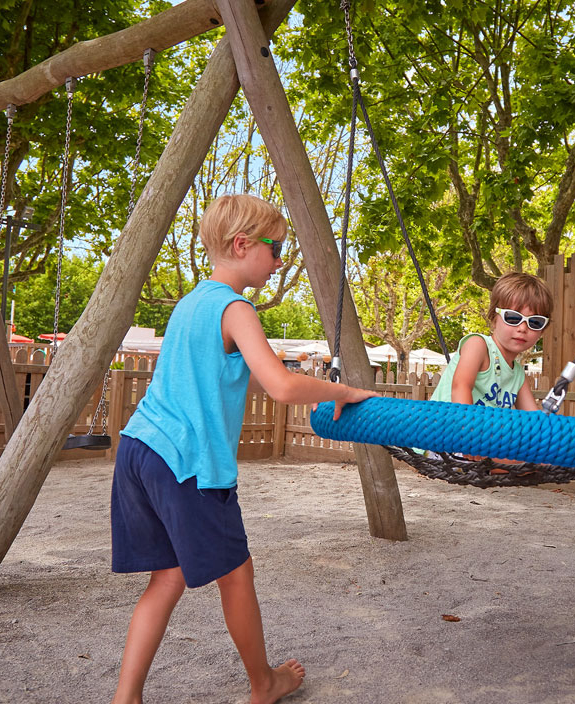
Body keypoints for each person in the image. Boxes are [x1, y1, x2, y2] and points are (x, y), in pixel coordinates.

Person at [110, 194, 375, 704]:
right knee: (236, 574)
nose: (280, 262)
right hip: (188, 462)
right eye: (276, 250)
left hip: (140, 449)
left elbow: (227, 376)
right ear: (242, 244)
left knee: (167, 578)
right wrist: (343, 391)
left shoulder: (192, 304)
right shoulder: (236, 308)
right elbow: (279, 386)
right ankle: (264, 684)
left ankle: (127, 698)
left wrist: (298, 379)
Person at [430, 271, 553, 412]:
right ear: (494, 318)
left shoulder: (518, 375)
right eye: (513, 318)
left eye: (535, 322)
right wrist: (470, 427)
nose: (523, 328)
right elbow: (460, 387)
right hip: (445, 426)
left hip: (482, 432)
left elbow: (533, 419)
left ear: (542, 331)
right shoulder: (478, 345)